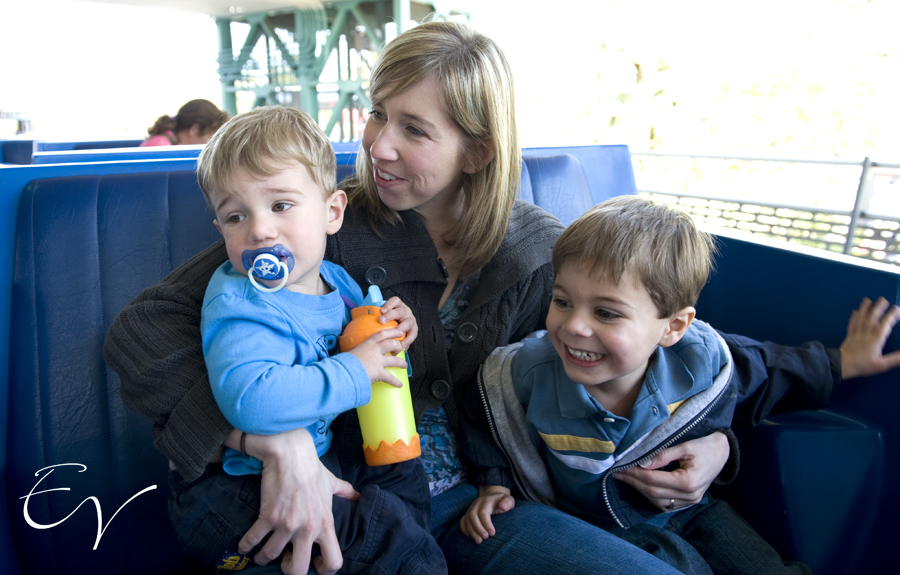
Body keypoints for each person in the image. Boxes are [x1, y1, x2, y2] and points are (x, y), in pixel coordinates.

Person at [103, 21, 831, 575]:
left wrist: (717, 443)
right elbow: (144, 331)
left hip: (491, 503)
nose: (377, 145)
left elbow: (676, 350)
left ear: (477, 151)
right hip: (362, 492)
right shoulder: (320, 224)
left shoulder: (540, 252)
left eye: (413, 129)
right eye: (377, 113)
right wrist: (271, 438)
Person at [460, 196, 900, 575]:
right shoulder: (528, 370)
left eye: (607, 313)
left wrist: (845, 362)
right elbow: (484, 410)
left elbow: (771, 367)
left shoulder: (698, 361)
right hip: (591, 523)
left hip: (694, 513)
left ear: (673, 327)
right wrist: (494, 482)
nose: (574, 326)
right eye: (562, 301)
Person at [187, 105, 445, 573]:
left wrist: (392, 337)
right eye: (235, 217)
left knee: (407, 489)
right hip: (241, 490)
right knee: (399, 549)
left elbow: (369, 363)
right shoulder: (240, 302)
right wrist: (355, 368)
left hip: (332, 456)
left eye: (280, 205)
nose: (260, 230)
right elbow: (252, 402)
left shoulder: (339, 282)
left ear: (331, 211)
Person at [140, 98, 229, 147]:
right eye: (211, 137)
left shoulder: (171, 143)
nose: (212, 143)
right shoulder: (159, 145)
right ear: (195, 130)